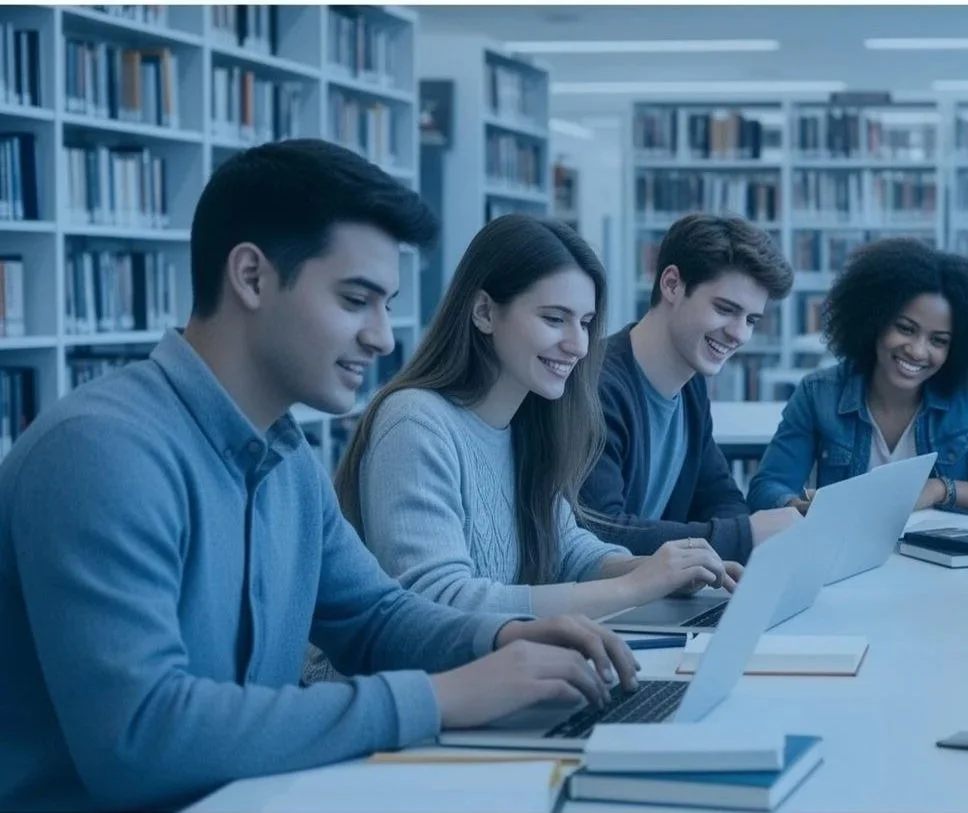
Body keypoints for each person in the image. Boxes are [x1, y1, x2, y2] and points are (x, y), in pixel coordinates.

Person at [0, 140, 638, 813]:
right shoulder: (101, 452)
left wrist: (503, 639)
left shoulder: (288, 460)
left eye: (386, 305)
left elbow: (374, 615)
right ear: (251, 276)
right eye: (356, 300)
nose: (383, 338)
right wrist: (444, 695)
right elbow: (142, 737)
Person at [334, 214, 739, 626]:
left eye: (584, 323)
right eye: (553, 319)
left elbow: (568, 550)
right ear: (484, 312)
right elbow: (435, 604)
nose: (579, 345)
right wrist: (633, 588)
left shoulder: (530, 423)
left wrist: (666, 570)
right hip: (401, 687)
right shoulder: (415, 424)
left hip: (494, 677)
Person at [747, 238, 968, 515]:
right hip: (848, 563)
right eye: (905, 329)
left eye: (939, 341)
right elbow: (766, 490)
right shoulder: (819, 394)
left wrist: (939, 489)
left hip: (943, 565)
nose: (918, 351)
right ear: (875, 320)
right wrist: (802, 508)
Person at [582, 214, 800, 563]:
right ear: (671, 284)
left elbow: (719, 495)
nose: (740, 334)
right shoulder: (596, 388)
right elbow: (600, 532)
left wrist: (749, 537)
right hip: (598, 608)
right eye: (725, 309)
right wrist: (746, 535)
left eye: (751, 320)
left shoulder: (690, 386)